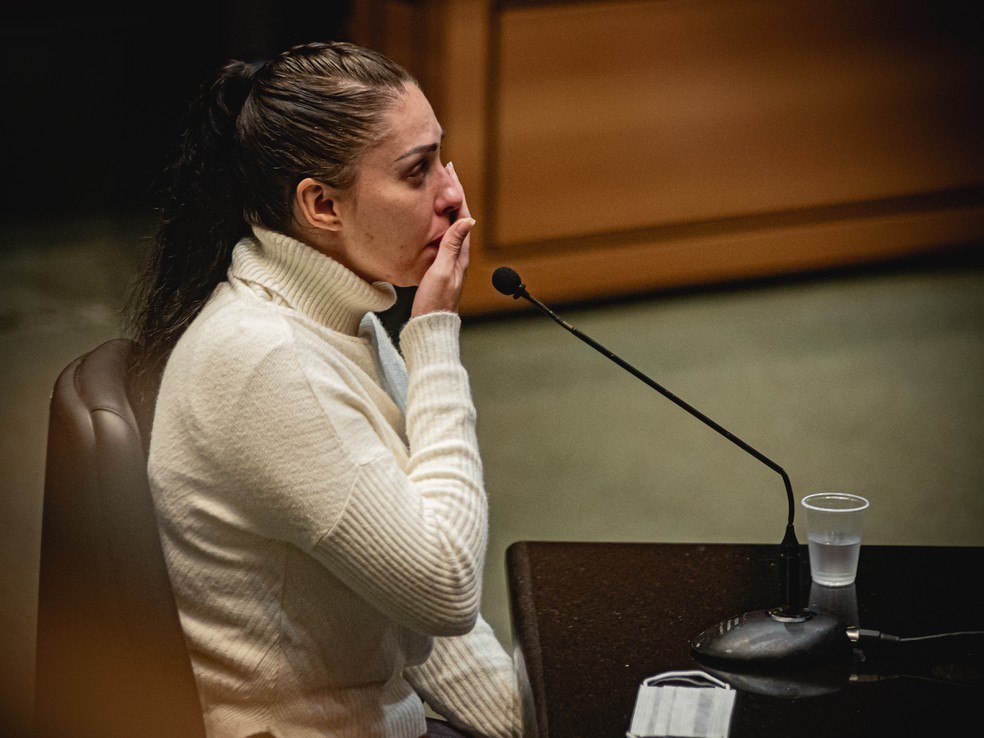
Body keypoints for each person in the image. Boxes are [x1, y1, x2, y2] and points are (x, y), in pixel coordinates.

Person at [128, 40, 521, 738]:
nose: (453, 192)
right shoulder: (268, 365)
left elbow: (416, 616)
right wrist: (432, 336)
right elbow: (445, 588)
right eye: (417, 171)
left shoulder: (343, 323)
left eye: (440, 156)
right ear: (321, 205)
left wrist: (535, 724)